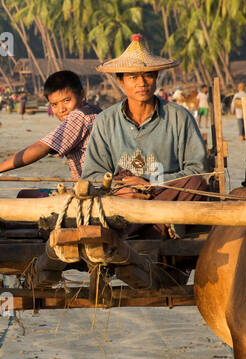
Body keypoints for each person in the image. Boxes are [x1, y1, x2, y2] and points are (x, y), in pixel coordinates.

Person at [79, 35, 211, 242]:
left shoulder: (179, 116)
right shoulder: (106, 121)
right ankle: (161, 225)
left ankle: (143, 229)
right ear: (121, 81)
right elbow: (92, 174)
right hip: (123, 200)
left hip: (166, 194)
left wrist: (150, 183)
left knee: (196, 183)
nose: (142, 83)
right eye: (133, 77)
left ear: (156, 77)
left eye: (148, 76)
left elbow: (198, 170)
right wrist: (119, 189)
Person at [0, 70, 101, 186]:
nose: (61, 109)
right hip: (93, 185)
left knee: (24, 196)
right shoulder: (94, 110)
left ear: (82, 95)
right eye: (55, 104)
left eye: (67, 100)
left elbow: (42, 147)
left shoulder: (79, 116)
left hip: (94, 191)